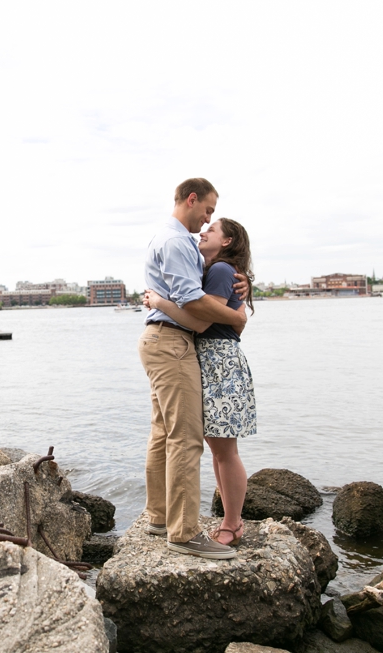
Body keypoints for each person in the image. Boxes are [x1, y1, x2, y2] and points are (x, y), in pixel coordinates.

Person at [140, 178, 248, 560]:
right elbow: (197, 310)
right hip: (171, 342)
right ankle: (184, 533)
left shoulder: (173, 241)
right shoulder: (176, 242)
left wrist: (240, 300)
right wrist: (238, 316)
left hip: (161, 339)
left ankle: (159, 517)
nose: (207, 220)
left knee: (163, 432)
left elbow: (197, 302)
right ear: (192, 199)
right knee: (184, 438)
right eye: (208, 210)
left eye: (213, 220)